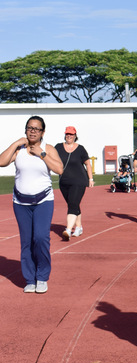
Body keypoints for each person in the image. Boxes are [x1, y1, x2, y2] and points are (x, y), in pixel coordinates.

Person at [0, 116, 63, 294]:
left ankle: (42, 277)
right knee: (26, 241)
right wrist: (15, 143)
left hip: (43, 201)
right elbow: (1, 161)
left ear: (43, 132)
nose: (33, 131)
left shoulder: (48, 148)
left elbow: (59, 170)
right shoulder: (19, 149)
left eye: (36, 128)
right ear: (26, 130)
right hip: (20, 202)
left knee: (41, 238)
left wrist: (41, 154)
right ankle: (30, 279)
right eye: (30, 128)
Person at [55, 126, 94, 240]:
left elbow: (87, 164)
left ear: (75, 136)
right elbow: (50, 157)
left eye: (71, 134)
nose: (69, 136)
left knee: (72, 204)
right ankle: (79, 227)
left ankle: (68, 229)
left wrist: (90, 179)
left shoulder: (80, 149)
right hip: (64, 182)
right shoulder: (58, 147)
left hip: (79, 181)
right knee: (73, 204)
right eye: (67, 134)